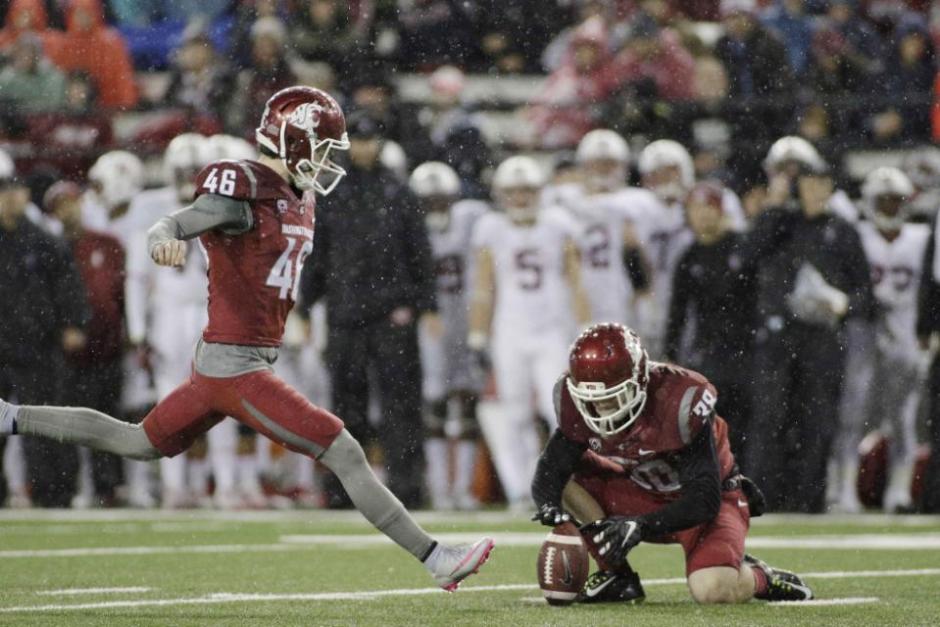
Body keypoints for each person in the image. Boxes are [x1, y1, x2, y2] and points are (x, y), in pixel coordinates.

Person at [0, 86, 493, 589]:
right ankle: (435, 558)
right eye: (323, 147)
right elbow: (174, 223)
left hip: (230, 361)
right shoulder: (245, 190)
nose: (329, 160)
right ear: (295, 141)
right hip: (236, 366)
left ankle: (9, 416)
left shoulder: (297, 196)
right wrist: (164, 239)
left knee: (139, 441)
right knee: (342, 449)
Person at [531, 323, 812, 604]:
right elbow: (551, 469)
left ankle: (761, 577)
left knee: (712, 590)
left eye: (613, 398)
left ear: (639, 382)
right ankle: (616, 574)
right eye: (592, 401)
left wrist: (641, 525)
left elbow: (704, 499)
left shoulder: (678, 400)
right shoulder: (575, 404)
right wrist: (549, 506)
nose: (601, 410)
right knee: (567, 477)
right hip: (642, 492)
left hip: (706, 504)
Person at [298, 111, 438, 510]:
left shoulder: (400, 192)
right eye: (358, 140)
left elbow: (420, 253)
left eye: (370, 140)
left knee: (401, 405)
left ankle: (408, 486)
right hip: (346, 315)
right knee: (346, 408)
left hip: (391, 314)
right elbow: (317, 255)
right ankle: (343, 490)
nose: (364, 147)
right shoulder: (331, 193)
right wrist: (305, 306)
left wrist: (426, 304)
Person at [743, 151, 875, 513]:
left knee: (817, 421)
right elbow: (745, 257)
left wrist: (844, 303)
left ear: (831, 188)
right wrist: (773, 206)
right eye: (808, 183)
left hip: (822, 339)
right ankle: (762, 500)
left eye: (822, 183)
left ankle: (809, 501)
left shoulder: (843, 231)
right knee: (770, 417)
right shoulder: (780, 224)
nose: (815, 190)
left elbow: (866, 294)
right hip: (779, 337)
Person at [468, 155, 591, 510]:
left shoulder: (558, 223)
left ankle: (569, 486)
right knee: (516, 413)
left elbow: (576, 279)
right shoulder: (492, 227)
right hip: (510, 330)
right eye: (513, 191)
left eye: (527, 191)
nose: (520, 198)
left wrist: (584, 325)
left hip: (553, 330)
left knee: (561, 413)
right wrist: (478, 334)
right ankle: (523, 488)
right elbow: (484, 286)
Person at [829, 167, 928, 513]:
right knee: (852, 412)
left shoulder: (921, 237)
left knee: (902, 416)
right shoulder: (856, 234)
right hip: (863, 329)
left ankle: (899, 491)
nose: (888, 207)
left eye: (894, 200)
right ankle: (843, 490)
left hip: (905, 331)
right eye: (882, 201)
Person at [0, 149, 89, 508]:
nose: (10, 198)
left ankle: (53, 492)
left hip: (35, 343)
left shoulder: (41, 239)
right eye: (3, 191)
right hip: (4, 341)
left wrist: (73, 322)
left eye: (13, 190)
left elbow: (68, 283)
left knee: (42, 421)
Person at [409, 161, 488, 510]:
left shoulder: (472, 218)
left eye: (441, 199)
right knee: (435, 403)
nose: (435, 206)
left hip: (466, 319)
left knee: (467, 401)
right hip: (431, 323)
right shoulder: (409, 226)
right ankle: (441, 488)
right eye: (428, 201)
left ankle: (464, 488)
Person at [45, 181, 126, 507]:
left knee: (107, 420)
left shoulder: (108, 243)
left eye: (72, 202)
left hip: (106, 347)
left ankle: (108, 488)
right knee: (67, 422)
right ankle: (68, 487)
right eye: (61, 205)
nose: (69, 210)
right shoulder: (50, 247)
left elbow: (122, 293)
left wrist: (129, 332)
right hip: (66, 352)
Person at [665, 181, 757, 461]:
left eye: (708, 208)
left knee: (746, 429)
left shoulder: (742, 247)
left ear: (721, 211)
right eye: (696, 209)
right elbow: (678, 313)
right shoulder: (688, 257)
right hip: (708, 354)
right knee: (709, 430)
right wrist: (671, 356)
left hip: (748, 353)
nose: (703, 215)